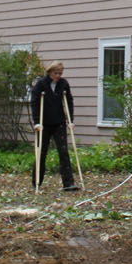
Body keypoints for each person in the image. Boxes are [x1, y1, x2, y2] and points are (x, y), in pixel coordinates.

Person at [29, 61, 78, 192]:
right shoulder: (41, 84)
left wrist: (70, 120)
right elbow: (34, 102)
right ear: (50, 72)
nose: (58, 76)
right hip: (43, 123)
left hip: (59, 122)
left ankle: (68, 183)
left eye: (60, 74)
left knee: (63, 151)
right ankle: (36, 182)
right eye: (56, 73)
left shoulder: (63, 84)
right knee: (41, 152)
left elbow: (69, 101)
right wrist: (36, 122)